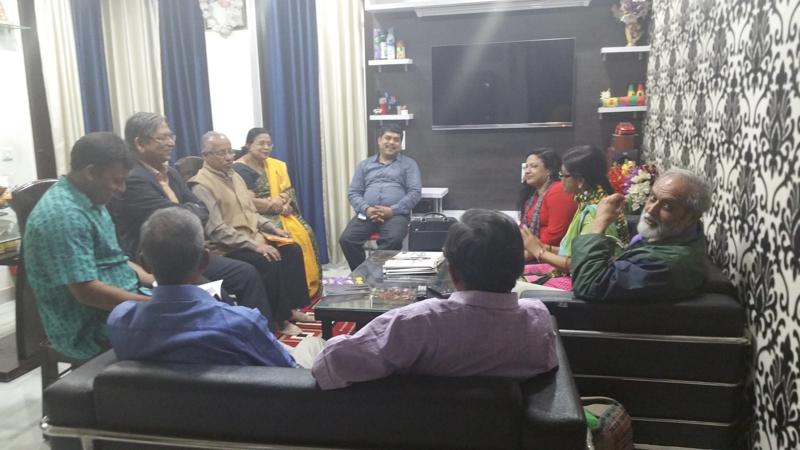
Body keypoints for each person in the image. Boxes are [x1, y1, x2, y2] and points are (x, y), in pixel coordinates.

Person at [312, 209, 558, 390]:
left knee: (312, 347)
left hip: (415, 432)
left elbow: (328, 365)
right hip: (506, 432)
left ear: (452, 272)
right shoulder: (538, 319)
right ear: (519, 267)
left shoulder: (416, 323)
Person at [109, 112, 276, 327]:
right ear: (140, 143)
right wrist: (188, 211)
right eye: (163, 138)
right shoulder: (133, 179)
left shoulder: (171, 172)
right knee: (218, 297)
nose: (171, 143)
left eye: (171, 136)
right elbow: (176, 220)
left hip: (189, 252)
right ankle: (231, 337)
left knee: (246, 274)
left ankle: (263, 332)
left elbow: (200, 210)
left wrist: (186, 211)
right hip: (160, 262)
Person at [107, 207, 297, 366]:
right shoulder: (243, 323)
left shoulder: (120, 321)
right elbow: (287, 371)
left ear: (144, 264)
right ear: (205, 260)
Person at [24, 132, 151, 359]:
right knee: (186, 335)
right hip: (89, 326)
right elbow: (86, 293)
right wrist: (153, 306)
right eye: (117, 181)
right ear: (91, 172)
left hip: (119, 303)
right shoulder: (64, 215)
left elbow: (117, 260)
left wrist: (156, 281)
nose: (122, 188)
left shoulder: (93, 198)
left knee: (195, 303)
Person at [189, 131, 311, 336]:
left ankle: (291, 309)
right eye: (221, 153)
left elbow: (251, 212)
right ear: (205, 155)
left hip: (254, 237)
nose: (229, 157)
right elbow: (216, 230)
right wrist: (256, 246)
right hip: (227, 247)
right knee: (268, 260)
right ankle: (279, 320)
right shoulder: (201, 185)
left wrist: (272, 228)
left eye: (230, 151)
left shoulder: (235, 176)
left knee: (291, 249)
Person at [570, 168, 712, 301]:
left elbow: (589, 284)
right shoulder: (683, 233)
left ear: (692, 217)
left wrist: (599, 223)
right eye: (653, 198)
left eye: (667, 206)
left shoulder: (663, 265)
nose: (651, 209)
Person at [233, 128, 321, 298]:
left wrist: (283, 200)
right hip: (257, 218)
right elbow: (248, 203)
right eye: (261, 143)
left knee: (305, 232)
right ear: (249, 145)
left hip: (279, 211)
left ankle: (306, 288)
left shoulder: (275, 165)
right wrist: (272, 205)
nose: (266, 147)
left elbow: (287, 190)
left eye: (269, 144)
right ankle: (287, 294)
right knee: (290, 241)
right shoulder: (239, 169)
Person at [521, 145, 628, 273]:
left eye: (563, 175)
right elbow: (572, 252)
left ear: (580, 181)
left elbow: (579, 264)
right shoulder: (585, 202)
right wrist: (543, 247)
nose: (560, 180)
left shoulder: (595, 211)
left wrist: (538, 251)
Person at [339, 123, 421, 271]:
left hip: (396, 215)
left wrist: (392, 210)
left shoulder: (409, 165)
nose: (391, 142)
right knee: (347, 240)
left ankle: (376, 274)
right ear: (379, 140)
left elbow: (414, 193)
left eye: (396, 139)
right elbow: (354, 193)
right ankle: (362, 275)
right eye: (387, 138)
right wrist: (367, 209)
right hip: (367, 214)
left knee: (393, 240)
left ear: (400, 144)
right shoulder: (364, 165)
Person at [518, 147, 577, 260]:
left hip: (553, 256)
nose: (527, 171)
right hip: (533, 251)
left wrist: (523, 256)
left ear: (549, 170)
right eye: (526, 167)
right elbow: (523, 228)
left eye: (534, 166)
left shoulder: (558, 190)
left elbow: (555, 235)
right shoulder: (533, 196)